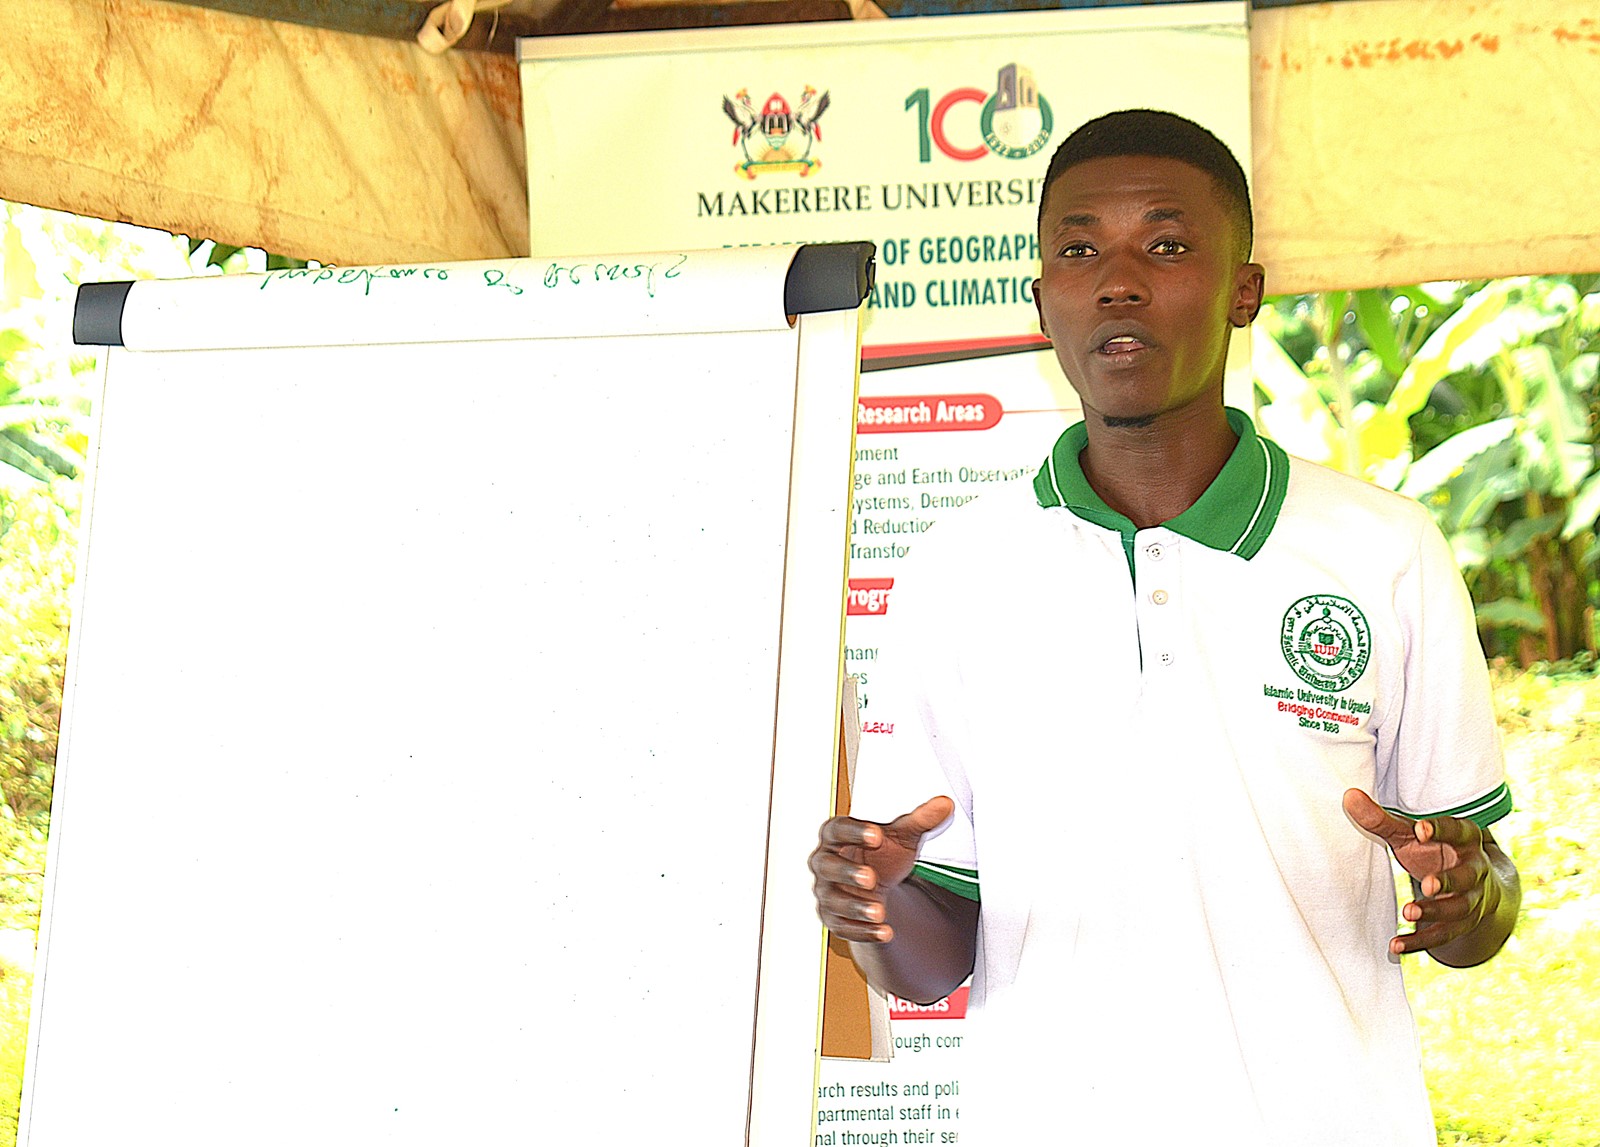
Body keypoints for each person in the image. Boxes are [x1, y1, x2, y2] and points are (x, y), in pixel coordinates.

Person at [811, 109, 1520, 1146]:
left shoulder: (1382, 551)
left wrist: (1469, 897)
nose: (1118, 279)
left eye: (1168, 243)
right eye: (1079, 247)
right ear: (1041, 299)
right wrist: (872, 904)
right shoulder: (955, 571)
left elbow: (1482, 887)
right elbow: (931, 960)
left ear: (1243, 290)